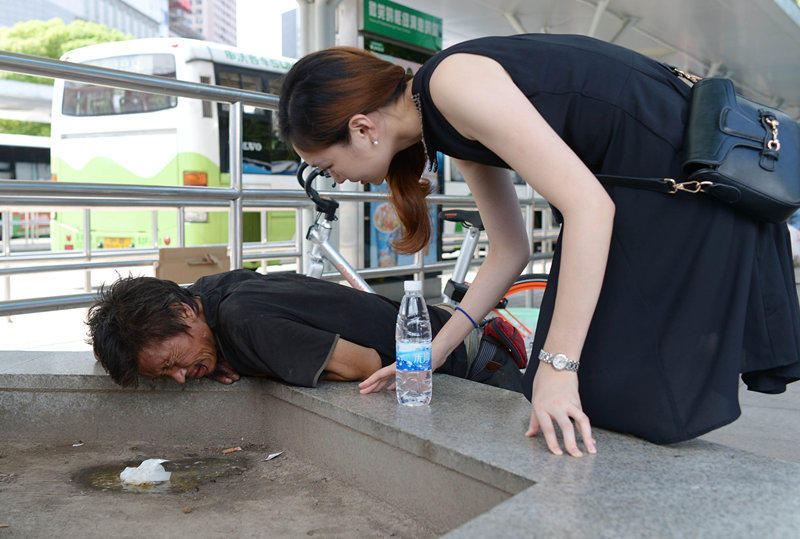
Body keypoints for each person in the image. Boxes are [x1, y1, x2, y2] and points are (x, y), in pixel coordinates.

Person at [278, 33, 800, 457]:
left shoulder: (453, 86)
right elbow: (510, 248)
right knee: (592, 387)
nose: (339, 182)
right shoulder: (441, 112)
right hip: (646, 187)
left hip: (679, 179)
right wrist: (434, 352)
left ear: (362, 127)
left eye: (328, 167)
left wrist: (558, 367)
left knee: (603, 384)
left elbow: (591, 208)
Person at [87, 269, 525, 391]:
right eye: (164, 377)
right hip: (467, 338)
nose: (180, 377)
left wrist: (259, 366)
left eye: (171, 363)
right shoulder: (211, 294)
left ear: (183, 313)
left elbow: (365, 366)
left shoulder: (242, 322)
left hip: (475, 365)